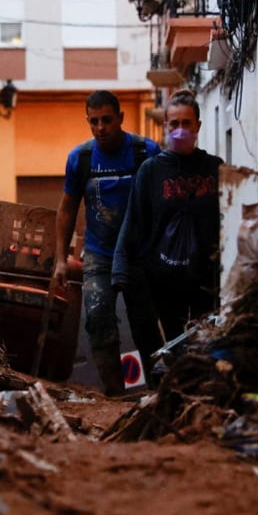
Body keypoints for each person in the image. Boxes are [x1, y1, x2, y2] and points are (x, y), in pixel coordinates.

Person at [53, 90, 161, 396]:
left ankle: (156, 392)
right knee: (99, 320)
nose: (101, 127)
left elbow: (163, 206)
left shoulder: (146, 153)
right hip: (99, 255)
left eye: (107, 120)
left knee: (145, 326)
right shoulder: (81, 158)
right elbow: (67, 209)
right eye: (94, 121)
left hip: (139, 255)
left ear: (121, 118)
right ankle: (116, 395)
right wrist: (61, 259)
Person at [112, 88, 222, 361]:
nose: (181, 129)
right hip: (163, 278)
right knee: (174, 341)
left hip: (205, 277)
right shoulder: (151, 171)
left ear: (198, 126)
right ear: (165, 126)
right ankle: (176, 395)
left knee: (204, 341)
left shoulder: (215, 168)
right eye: (174, 123)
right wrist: (120, 268)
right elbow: (134, 220)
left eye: (187, 123)